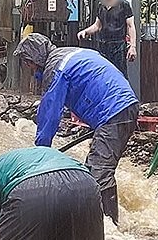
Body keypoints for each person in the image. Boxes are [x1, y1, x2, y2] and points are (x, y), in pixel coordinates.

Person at [14, 33, 139, 225]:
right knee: (98, 168)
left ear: (33, 59)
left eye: (27, 63)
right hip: (123, 105)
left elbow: (50, 113)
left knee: (98, 172)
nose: (29, 69)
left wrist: (40, 152)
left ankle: (108, 229)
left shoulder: (55, 69)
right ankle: (105, 224)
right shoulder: (70, 52)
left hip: (113, 111)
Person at [76, 0, 136, 75]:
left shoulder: (123, 5)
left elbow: (130, 26)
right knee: (104, 73)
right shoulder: (101, 6)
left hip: (118, 45)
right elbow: (97, 25)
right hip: (103, 45)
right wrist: (85, 31)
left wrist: (132, 47)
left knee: (119, 73)